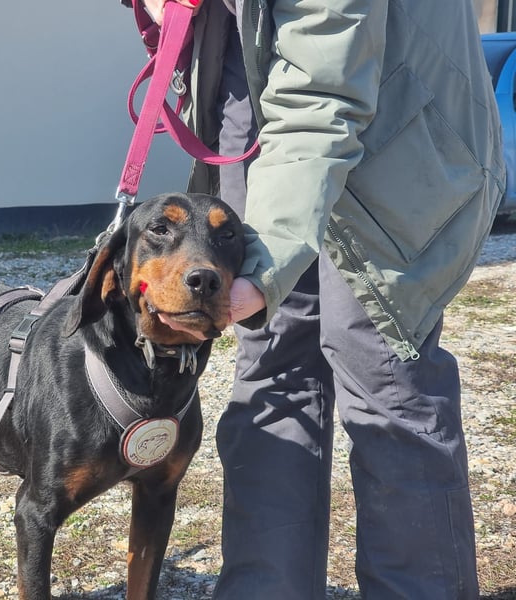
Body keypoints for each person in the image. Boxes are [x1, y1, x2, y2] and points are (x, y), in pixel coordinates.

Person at [125, 0, 505, 598]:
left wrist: (268, 264)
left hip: (396, 124)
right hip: (250, 99)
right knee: (272, 370)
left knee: (385, 371)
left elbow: (320, 93)